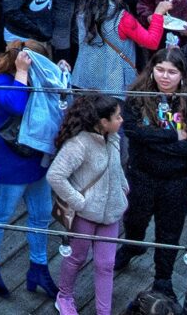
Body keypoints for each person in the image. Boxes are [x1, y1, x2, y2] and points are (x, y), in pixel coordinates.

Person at [117, 49, 187, 297]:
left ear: (182, 74)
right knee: (134, 218)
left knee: (170, 230)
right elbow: (133, 131)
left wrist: (152, 142)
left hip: (177, 179)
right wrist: (171, 135)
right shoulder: (137, 95)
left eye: (172, 72)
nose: (165, 77)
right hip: (141, 173)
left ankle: (163, 277)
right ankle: (133, 246)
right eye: (160, 70)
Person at [0, 40, 56, 297]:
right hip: (8, 162)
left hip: (35, 160)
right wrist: (22, 73)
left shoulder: (36, 79)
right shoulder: (0, 82)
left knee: (42, 214)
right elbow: (17, 105)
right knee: (0, 214)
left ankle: (39, 267)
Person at [47, 92, 128, 315]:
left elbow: (116, 166)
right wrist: (79, 202)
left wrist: (123, 186)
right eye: (118, 117)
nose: (122, 120)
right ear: (104, 122)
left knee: (106, 265)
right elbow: (55, 176)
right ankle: (64, 296)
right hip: (85, 214)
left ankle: (104, 312)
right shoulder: (79, 144)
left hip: (111, 212)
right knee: (76, 258)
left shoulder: (114, 138)